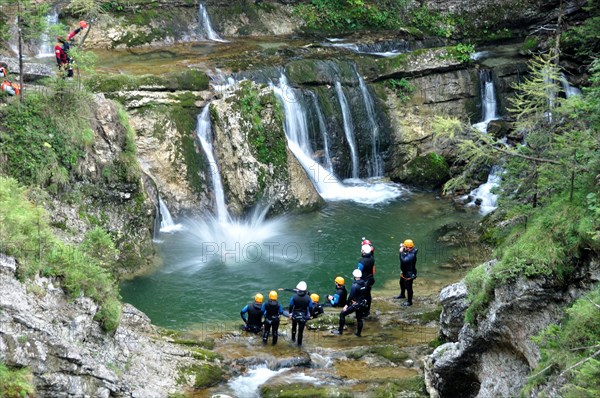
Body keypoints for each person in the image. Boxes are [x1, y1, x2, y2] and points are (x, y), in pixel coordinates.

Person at [331, 269, 368, 337]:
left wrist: (346, 305)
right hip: (362, 303)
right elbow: (366, 294)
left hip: (356, 304)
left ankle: (340, 331)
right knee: (359, 319)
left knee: (342, 314)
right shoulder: (365, 283)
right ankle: (358, 334)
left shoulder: (355, 285)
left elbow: (350, 297)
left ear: (354, 276)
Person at [288, 281, 313, 346]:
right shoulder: (308, 298)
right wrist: (311, 315)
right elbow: (310, 307)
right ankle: (299, 344)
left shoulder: (294, 297)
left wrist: (290, 314)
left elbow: (291, 306)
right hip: (303, 316)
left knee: (294, 327)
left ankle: (293, 339)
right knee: (300, 331)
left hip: (295, 315)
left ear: (298, 289)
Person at [397, 239, 418, 306]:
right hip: (404, 271)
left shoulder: (412, 255)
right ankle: (402, 294)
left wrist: (401, 252)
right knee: (401, 283)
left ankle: (409, 302)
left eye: (405, 246)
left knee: (409, 287)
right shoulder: (408, 250)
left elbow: (404, 260)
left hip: (409, 273)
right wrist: (403, 247)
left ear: (408, 248)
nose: (404, 248)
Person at [357, 243, 375, 315]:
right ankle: (367, 310)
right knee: (368, 295)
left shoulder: (362, 261)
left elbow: (359, 272)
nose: (361, 250)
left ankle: (363, 311)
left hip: (364, 281)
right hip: (370, 279)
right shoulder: (372, 258)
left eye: (362, 250)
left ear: (364, 251)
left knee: (362, 296)